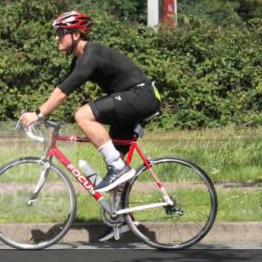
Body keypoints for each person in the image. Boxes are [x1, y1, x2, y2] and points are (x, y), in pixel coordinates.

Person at [20, 11, 161, 192]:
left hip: (141, 95)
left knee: (83, 115)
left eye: (61, 33)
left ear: (76, 34)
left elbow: (62, 93)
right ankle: (120, 216)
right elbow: (62, 89)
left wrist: (38, 115)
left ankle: (118, 168)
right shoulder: (80, 60)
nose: (57, 38)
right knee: (116, 175)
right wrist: (40, 113)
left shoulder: (91, 53)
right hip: (130, 99)